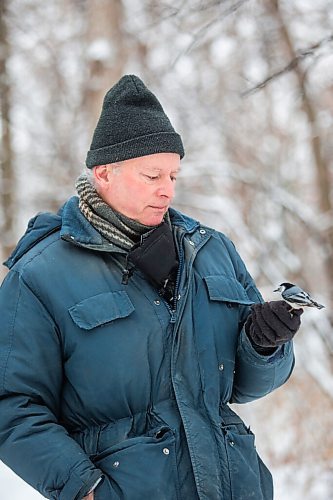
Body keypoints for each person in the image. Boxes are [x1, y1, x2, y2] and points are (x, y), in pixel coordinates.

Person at [0, 75, 303, 500]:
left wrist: (264, 345)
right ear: (104, 173)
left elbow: (245, 387)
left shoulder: (212, 250)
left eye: (174, 175)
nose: (168, 190)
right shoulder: (40, 276)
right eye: (152, 175)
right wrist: (83, 488)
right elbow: (12, 405)